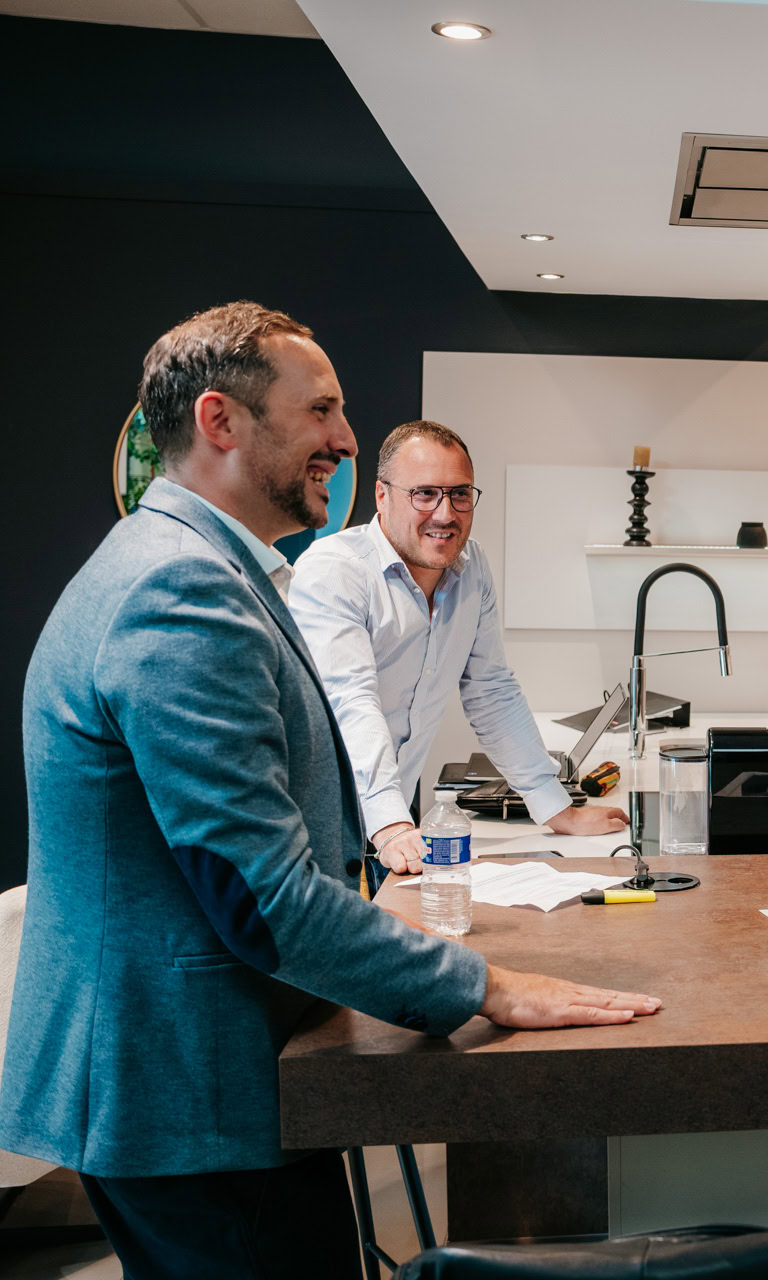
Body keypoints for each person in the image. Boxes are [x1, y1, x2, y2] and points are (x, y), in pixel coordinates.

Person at [0, 303, 660, 1280]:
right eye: (322, 411)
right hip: (184, 1086)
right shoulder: (180, 592)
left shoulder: (209, 569)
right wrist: (487, 985)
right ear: (221, 421)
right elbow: (258, 892)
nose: (346, 440)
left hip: (205, 1074)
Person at [289, 420, 627, 879]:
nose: (445, 514)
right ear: (382, 496)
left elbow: (491, 691)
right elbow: (349, 702)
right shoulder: (335, 571)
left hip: (392, 808)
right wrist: (389, 825)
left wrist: (556, 809)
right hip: (311, 820)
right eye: (424, 494)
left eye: (460, 494)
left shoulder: (473, 569)